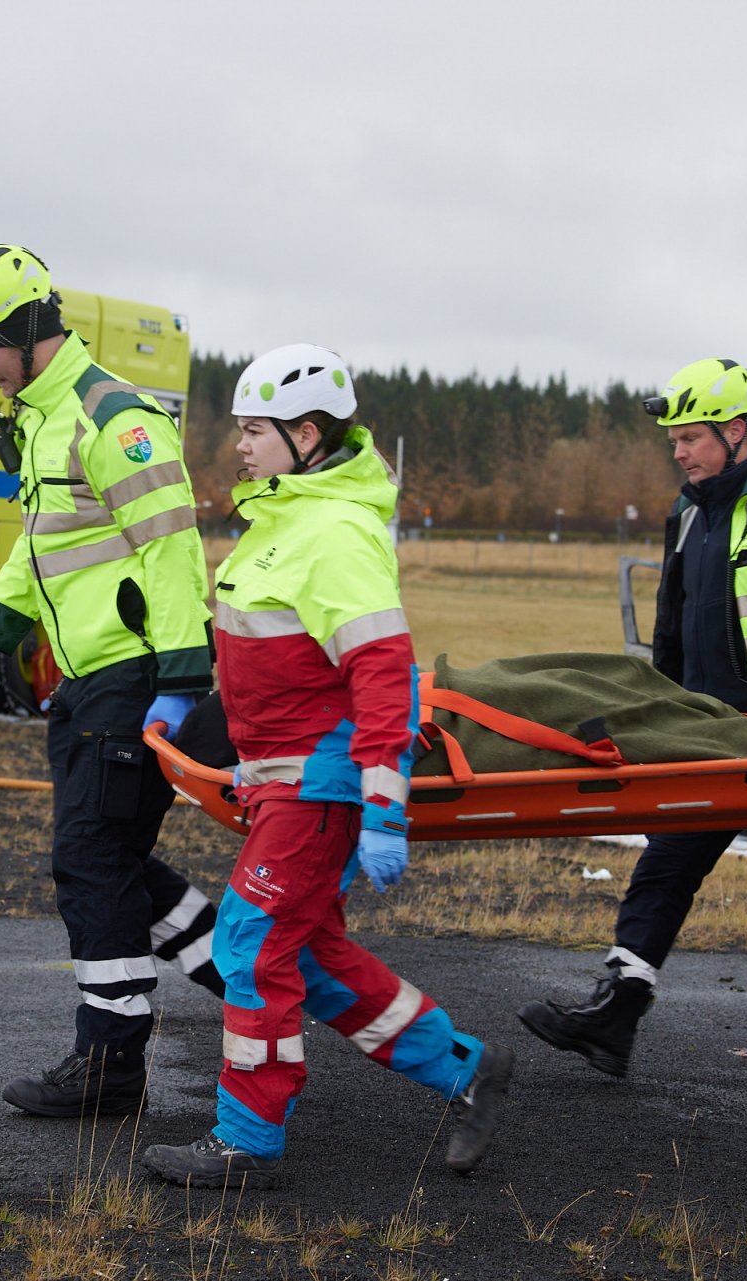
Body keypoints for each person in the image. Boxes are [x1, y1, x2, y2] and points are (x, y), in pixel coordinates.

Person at [141, 344, 513, 1188]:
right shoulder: (285, 519)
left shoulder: (337, 532)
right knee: (305, 956)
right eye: (240, 429)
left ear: (306, 434)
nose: (240, 444)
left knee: (249, 947)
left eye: (254, 430)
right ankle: (466, 1068)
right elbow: (280, 671)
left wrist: (382, 807)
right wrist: (253, 762)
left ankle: (248, 1138)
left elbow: (381, 673)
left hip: (323, 787)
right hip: (289, 779)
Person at [518, 358, 747, 1105]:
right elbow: (671, 630)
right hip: (706, 738)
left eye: (692, 438)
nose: (680, 452)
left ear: (738, 431)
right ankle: (615, 1014)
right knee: (666, 866)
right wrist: (661, 711)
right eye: (675, 440)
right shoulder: (688, 514)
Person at [0, 244, 224, 1118]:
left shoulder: (114, 418)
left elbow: (172, 549)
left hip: (131, 675)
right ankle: (253, 982)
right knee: (116, 859)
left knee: (90, 858)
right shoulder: (42, 414)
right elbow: (48, 545)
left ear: (30, 332)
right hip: (89, 676)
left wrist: (181, 677)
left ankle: (110, 1064)